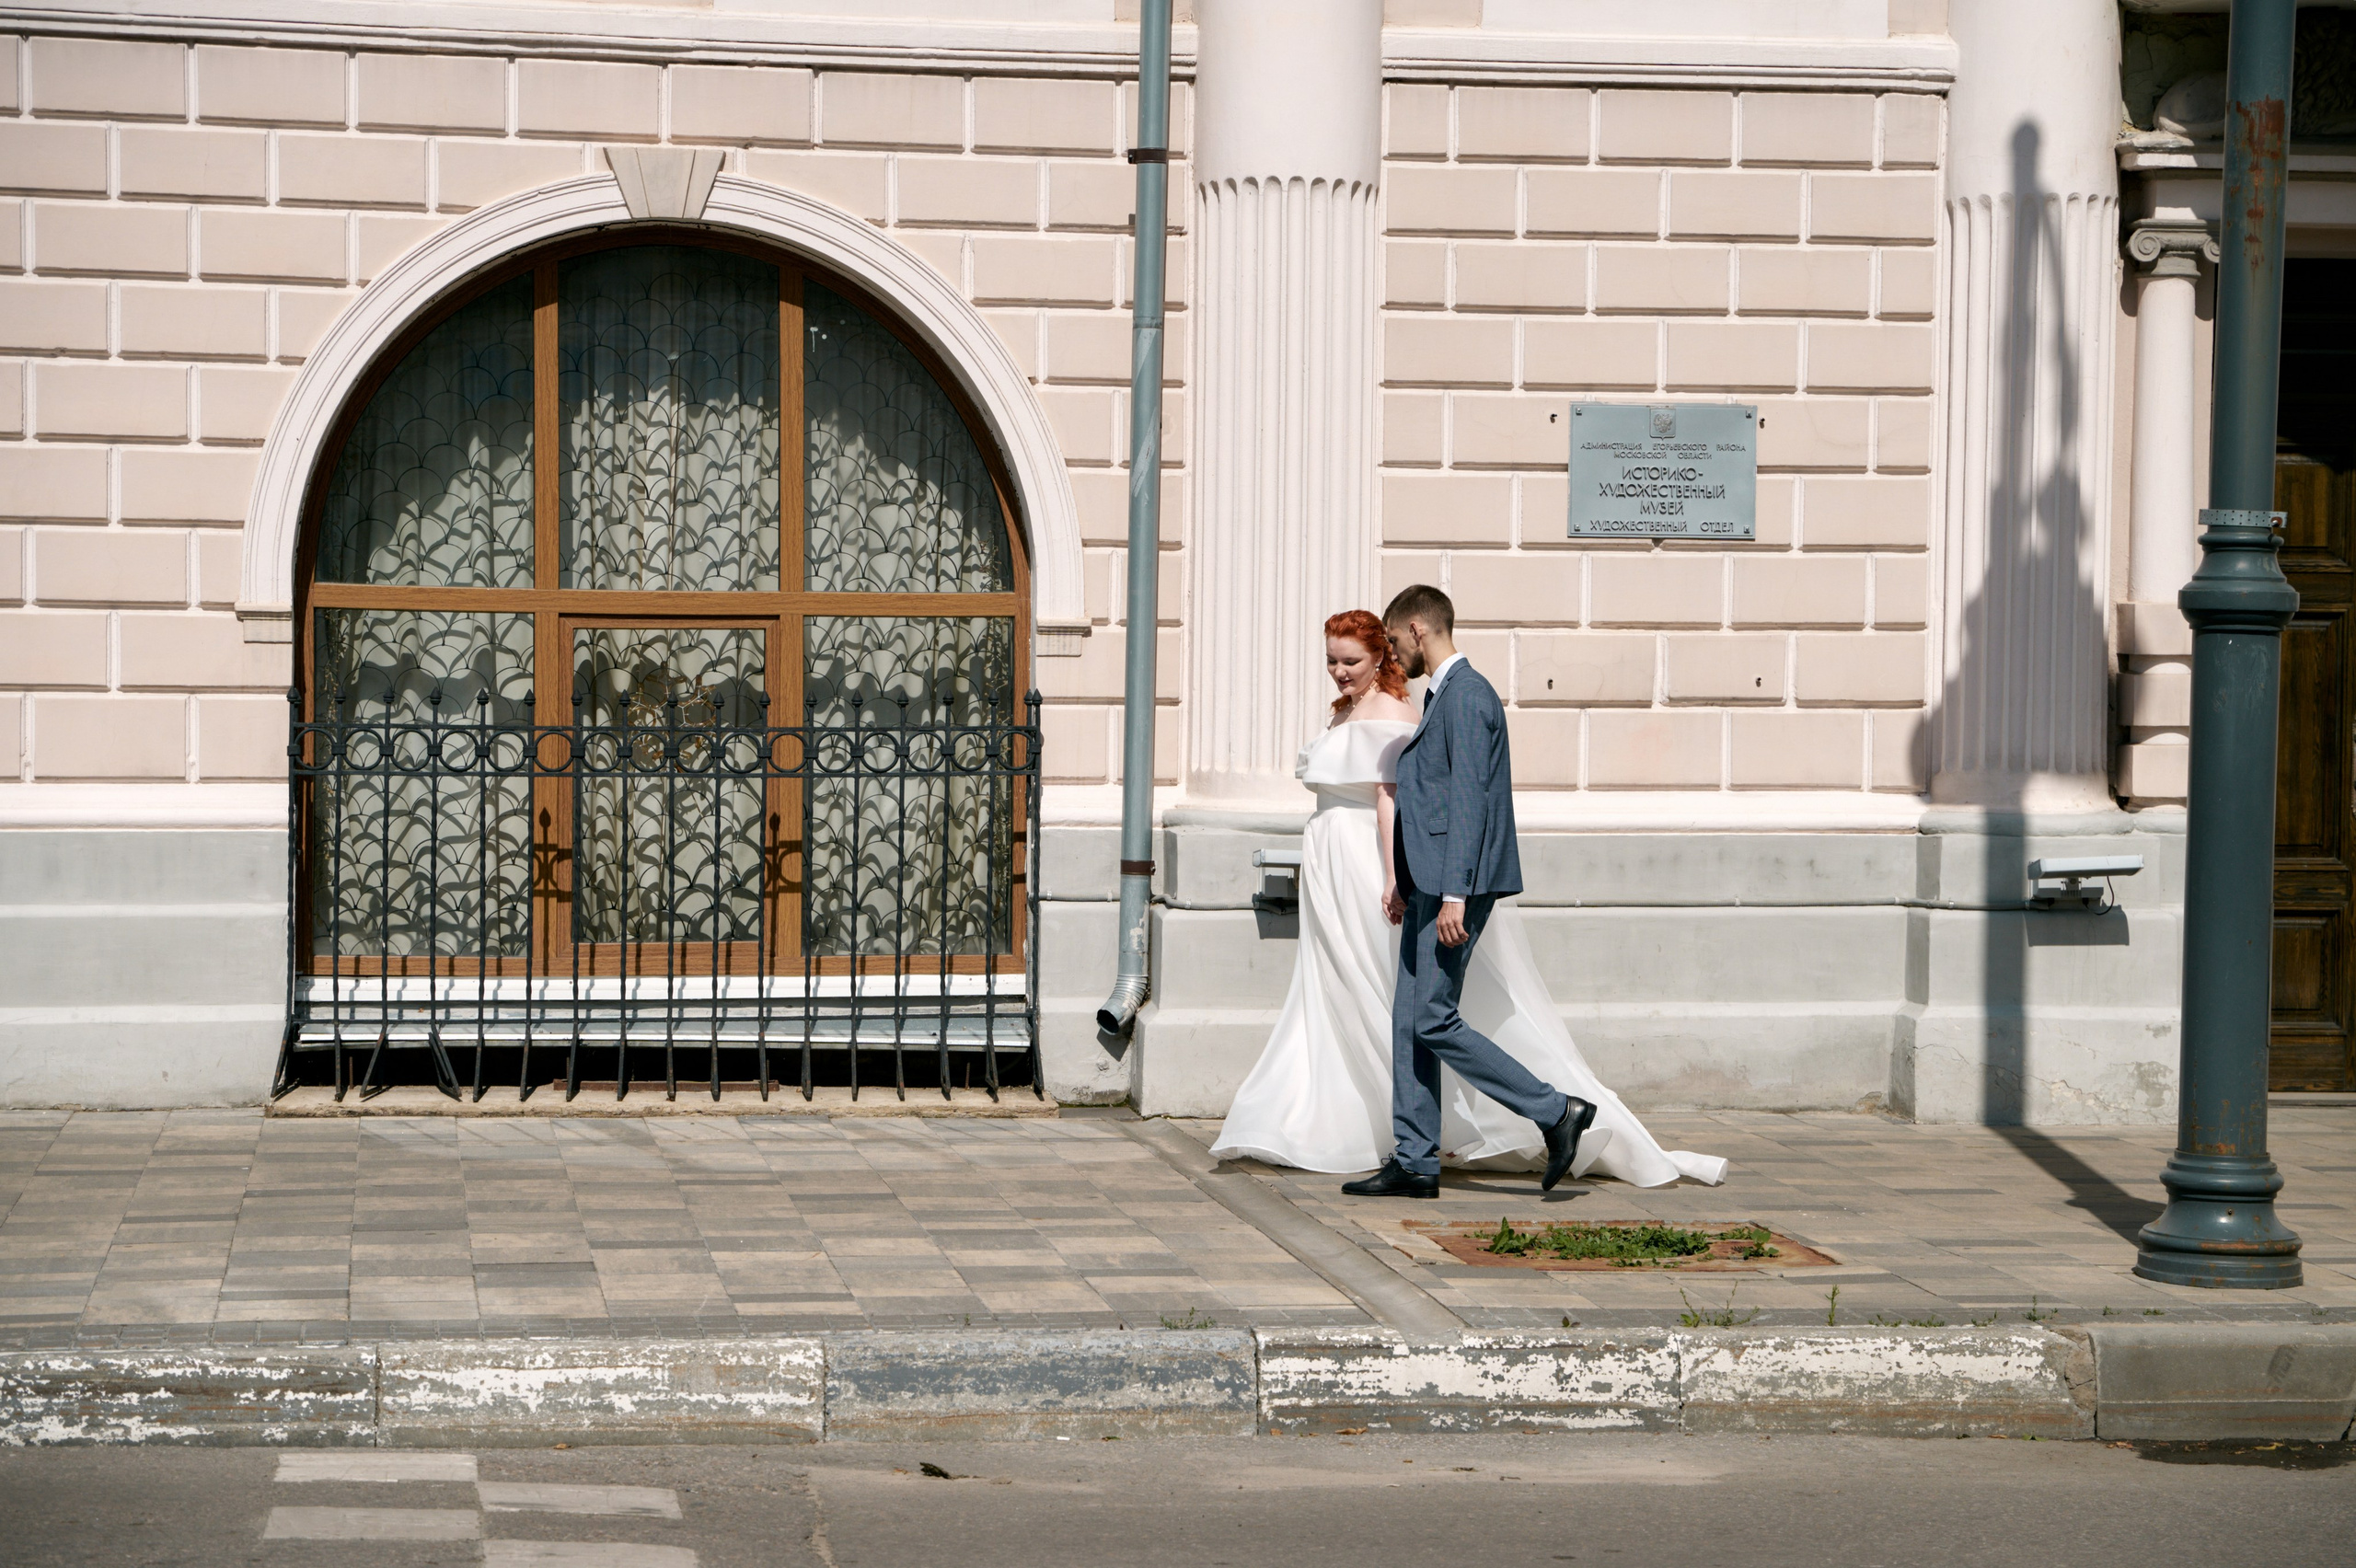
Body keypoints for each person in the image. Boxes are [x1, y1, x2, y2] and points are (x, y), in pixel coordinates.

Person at [1210, 592, 1727, 1193]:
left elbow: (1470, 804)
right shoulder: (1445, 696)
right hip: (1429, 880)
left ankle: (1556, 1112)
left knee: (1429, 1016)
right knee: (1410, 1019)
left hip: (1455, 886)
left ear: (1417, 628)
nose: (1394, 654)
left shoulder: (1467, 696)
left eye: (1396, 642)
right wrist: (1406, 878)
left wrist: (1453, 896)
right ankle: (1415, 1161)